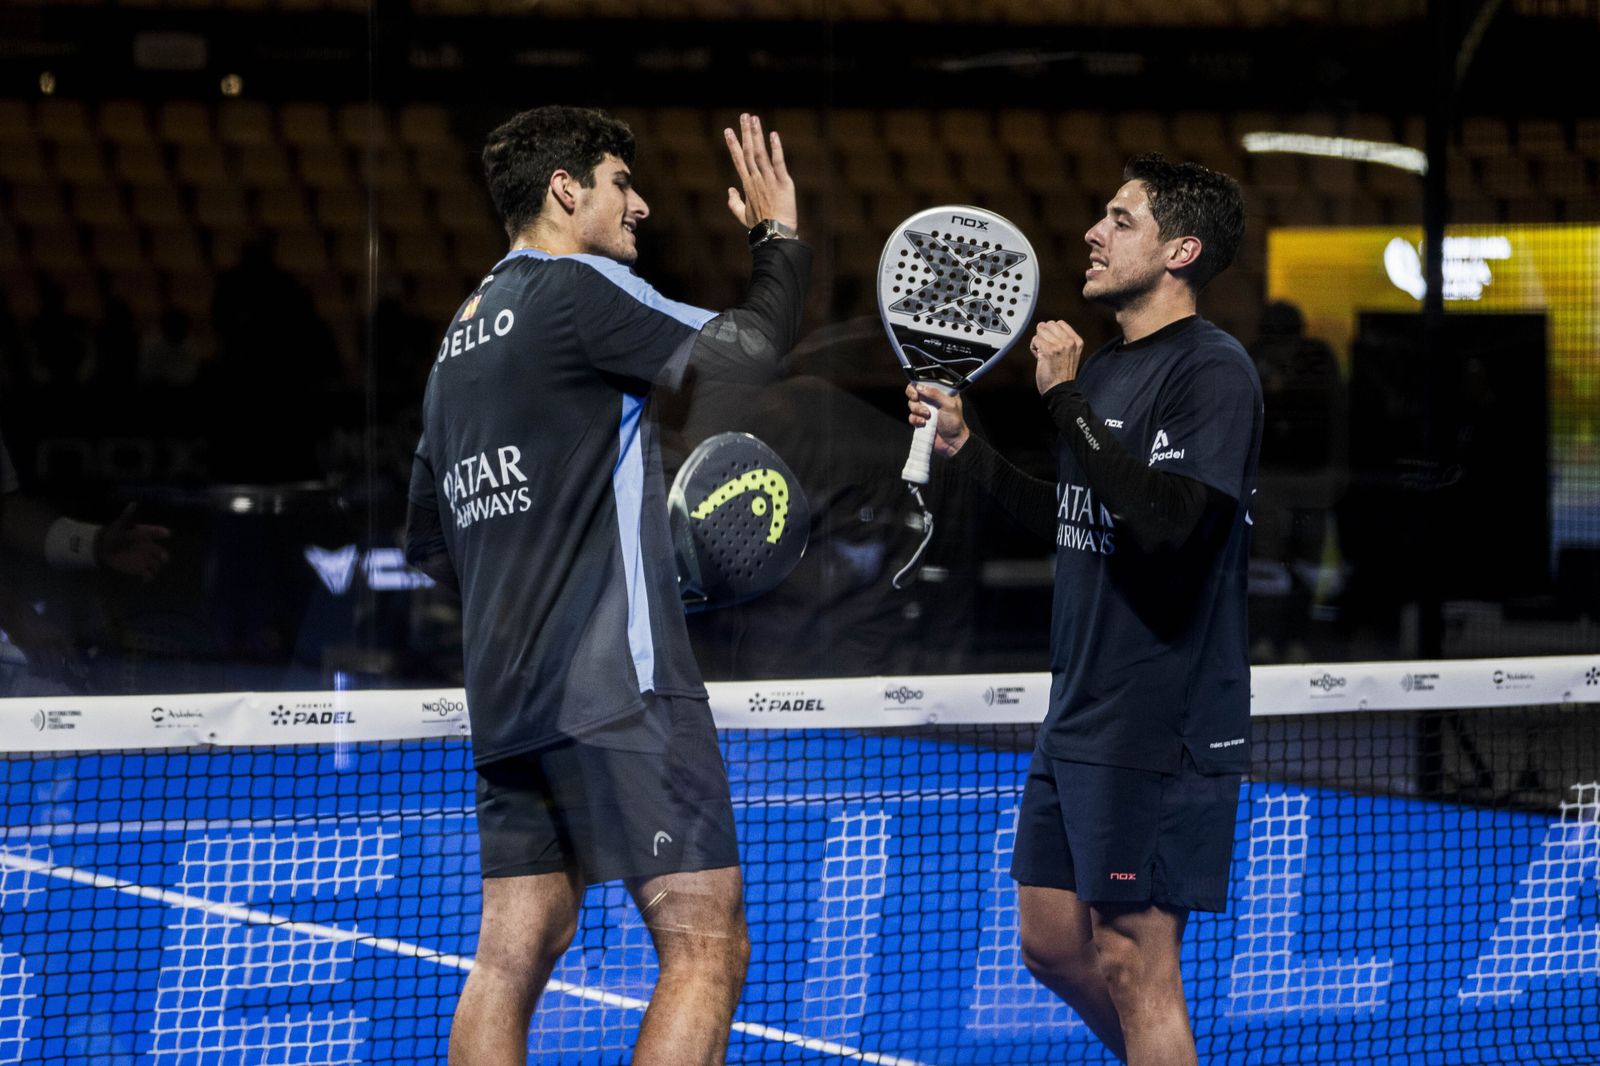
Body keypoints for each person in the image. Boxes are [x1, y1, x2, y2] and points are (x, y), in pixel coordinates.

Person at [404, 107, 809, 1066]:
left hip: (507, 696)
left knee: (512, 951)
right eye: (623, 184)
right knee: (705, 938)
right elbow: (749, 352)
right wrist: (777, 237)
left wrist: (563, 555)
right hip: (617, 686)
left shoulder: (455, 345)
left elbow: (432, 539)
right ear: (565, 191)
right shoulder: (579, 287)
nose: (643, 205)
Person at [908, 153, 1260, 1066]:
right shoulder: (1107, 373)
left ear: (1180, 249)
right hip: (1079, 709)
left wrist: (1063, 399)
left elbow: (1167, 523)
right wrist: (968, 449)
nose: (1094, 234)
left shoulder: (1213, 374)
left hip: (1158, 714)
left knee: (1136, 960)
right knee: (1052, 943)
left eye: (1120, 219)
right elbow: (1076, 515)